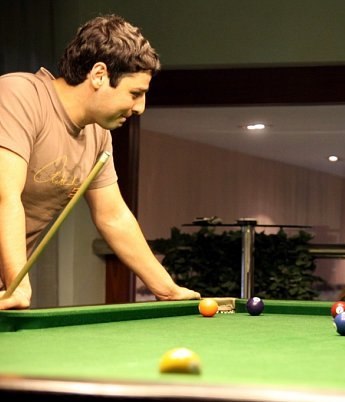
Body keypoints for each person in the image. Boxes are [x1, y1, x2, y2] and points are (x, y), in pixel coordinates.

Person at [0, 15, 201, 310]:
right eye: (135, 93)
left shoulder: (98, 133)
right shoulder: (19, 95)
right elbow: (5, 196)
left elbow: (113, 216)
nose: (140, 107)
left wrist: (168, 289)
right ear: (98, 75)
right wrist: (18, 285)